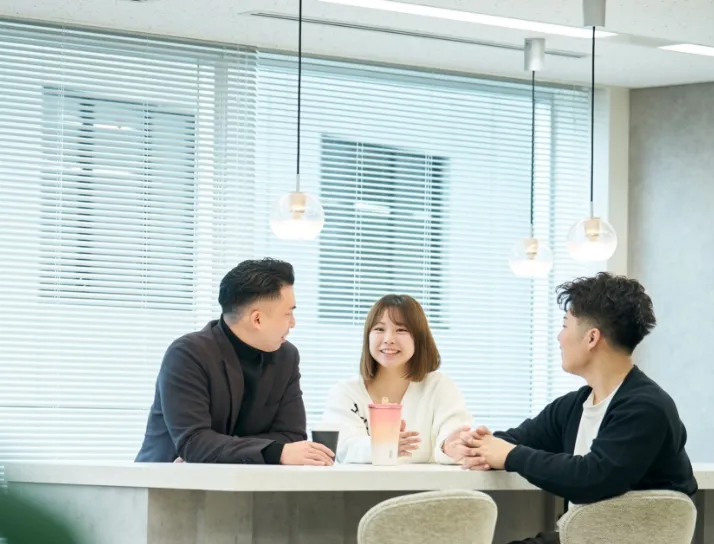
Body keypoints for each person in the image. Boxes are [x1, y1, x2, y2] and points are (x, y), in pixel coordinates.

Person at [448, 272, 697, 544]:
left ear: (591, 338)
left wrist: (509, 455)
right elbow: (517, 439)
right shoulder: (575, 406)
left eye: (565, 326)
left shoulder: (645, 407)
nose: (559, 337)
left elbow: (592, 478)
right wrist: (473, 446)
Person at [135, 258, 334, 466]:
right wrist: (272, 451)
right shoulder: (188, 354)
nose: (293, 323)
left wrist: (217, 450)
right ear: (257, 319)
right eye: (288, 313)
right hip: (165, 481)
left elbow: (292, 437)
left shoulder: (286, 357)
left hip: (244, 483)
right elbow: (194, 442)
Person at [321, 294, 473, 464]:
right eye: (379, 329)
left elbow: (452, 434)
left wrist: (451, 447)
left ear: (419, 338)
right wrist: (382, 447)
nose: (388, 339)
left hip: (426, 483)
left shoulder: (439, 386)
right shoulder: (345, 392)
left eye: (401, 330)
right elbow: (344, 447)